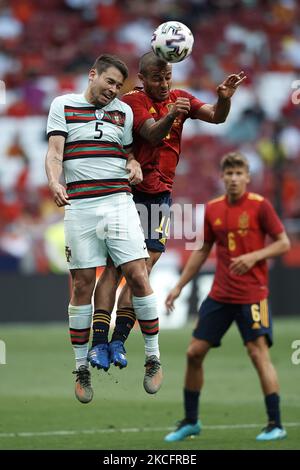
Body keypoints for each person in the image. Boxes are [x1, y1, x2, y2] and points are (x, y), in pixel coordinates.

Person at [89, 51, 246, 371]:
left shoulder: (180, 98)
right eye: (157, 78)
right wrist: (174, 114)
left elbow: (217, 116)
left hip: (159, 198)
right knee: (116, 268)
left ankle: (118, 341)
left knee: (142, 272)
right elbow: (151, 133)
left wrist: (224, 99)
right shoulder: (132, 101)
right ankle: (98, 342)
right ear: (143, 79)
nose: (164, 84)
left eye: (168, 77)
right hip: (126, 194)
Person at [45, 54, 162, 404]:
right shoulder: (63, 104)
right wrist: (54, 181)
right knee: (81, 282)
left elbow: (127, 153)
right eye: (109, 82)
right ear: (93, 74)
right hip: (80, 206)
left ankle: (153, 358)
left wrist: (134, 163)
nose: (113, 90)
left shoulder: (123, 111)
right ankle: (81, 368)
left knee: (138, 275)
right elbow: (54, 152)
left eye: (117, 86)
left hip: (118, 202)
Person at [164, 152, 290, 442]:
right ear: (222, 178)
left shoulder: (260, 207)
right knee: (194, 353)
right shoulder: (213, 209)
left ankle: (275, 423)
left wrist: (254, 256)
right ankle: (191, 421)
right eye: (229, 174)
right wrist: (180, 285)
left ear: (247, 177)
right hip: (220, 294)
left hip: (252, 295)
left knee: (258, 354)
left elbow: (284, 243)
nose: (233, 179)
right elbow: (202, 250)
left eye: (238, 173)